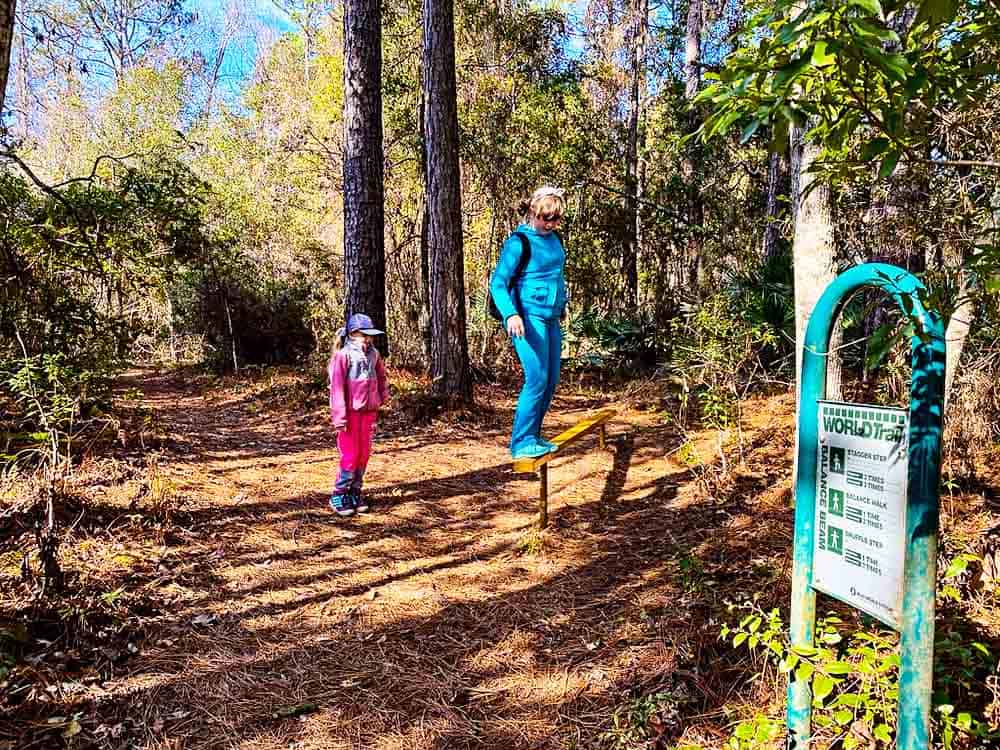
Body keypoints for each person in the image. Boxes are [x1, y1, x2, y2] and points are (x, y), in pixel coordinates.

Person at [490, 185, 568, 459]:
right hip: (527, 318)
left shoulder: (555, 239)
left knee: (550, 380)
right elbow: (498, 283)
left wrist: (561, 304)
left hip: (551, 317)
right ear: (533, 212)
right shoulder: (518, 242)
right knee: (536, 378)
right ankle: (521, 442)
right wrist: (511, 314)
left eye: (555, 218)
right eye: (545, 217)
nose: (550, 223)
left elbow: (555, 276)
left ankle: (534, 435)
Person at [328, 313, 389, 516]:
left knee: (363, 454)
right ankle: (339, 493)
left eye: (370, 335)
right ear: (353, 333)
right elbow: (336, 388)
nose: (368, 339)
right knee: (350, 455)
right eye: (365, 335)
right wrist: (340, 417)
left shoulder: (374, 354)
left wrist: (382, 396)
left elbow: (381, 376)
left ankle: (355, 491)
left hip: (368, 413)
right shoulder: (343, 356)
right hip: (350, 415)